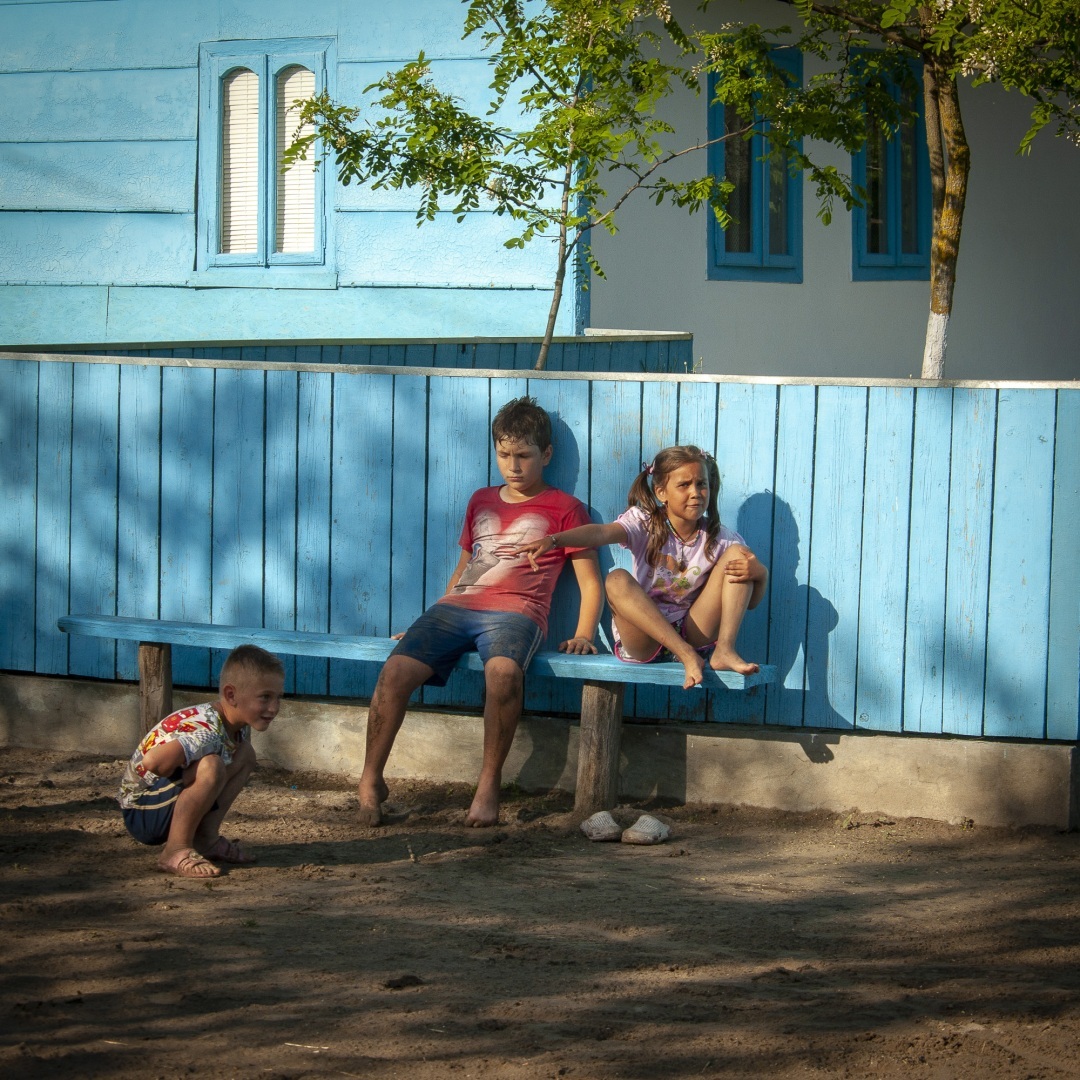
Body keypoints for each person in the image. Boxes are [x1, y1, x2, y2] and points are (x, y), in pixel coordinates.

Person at [358, 396, 602, 829]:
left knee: (503, 673)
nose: (513, 465)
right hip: (457, 608)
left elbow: (589, 581)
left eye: (524, 456)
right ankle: (370, 779)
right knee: (394, 672)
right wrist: (425, 623)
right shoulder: (481, 500)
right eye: (504, 454)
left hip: (517, 613)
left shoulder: (566, 509)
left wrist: (585, 632)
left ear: (546, 455)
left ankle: (488, 786)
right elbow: (466, 566)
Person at [515, 444, 768, 691]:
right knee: (616, 579)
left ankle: (724, 649)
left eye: (701, 484)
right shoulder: (644, 522)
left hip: (694, 630)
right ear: (661, 493)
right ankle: (686, 654)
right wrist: (555, 539)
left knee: (740, 555)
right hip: (646, 636)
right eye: (684, 485)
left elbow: (751, 602)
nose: (695, 492)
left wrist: (761, 575)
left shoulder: (721, 538)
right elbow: (601, 533)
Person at [117, 644, 285, 878]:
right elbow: (153, 762)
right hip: (142, 811)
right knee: (211, 766)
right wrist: (188, 769)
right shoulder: (205, 731)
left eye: (278, 698)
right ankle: (175, 851)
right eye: (265, 697)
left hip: (161, 805)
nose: (274, 708)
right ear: (231, 695)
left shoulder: (237, 727)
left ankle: (206, 839)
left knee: (245, 754)